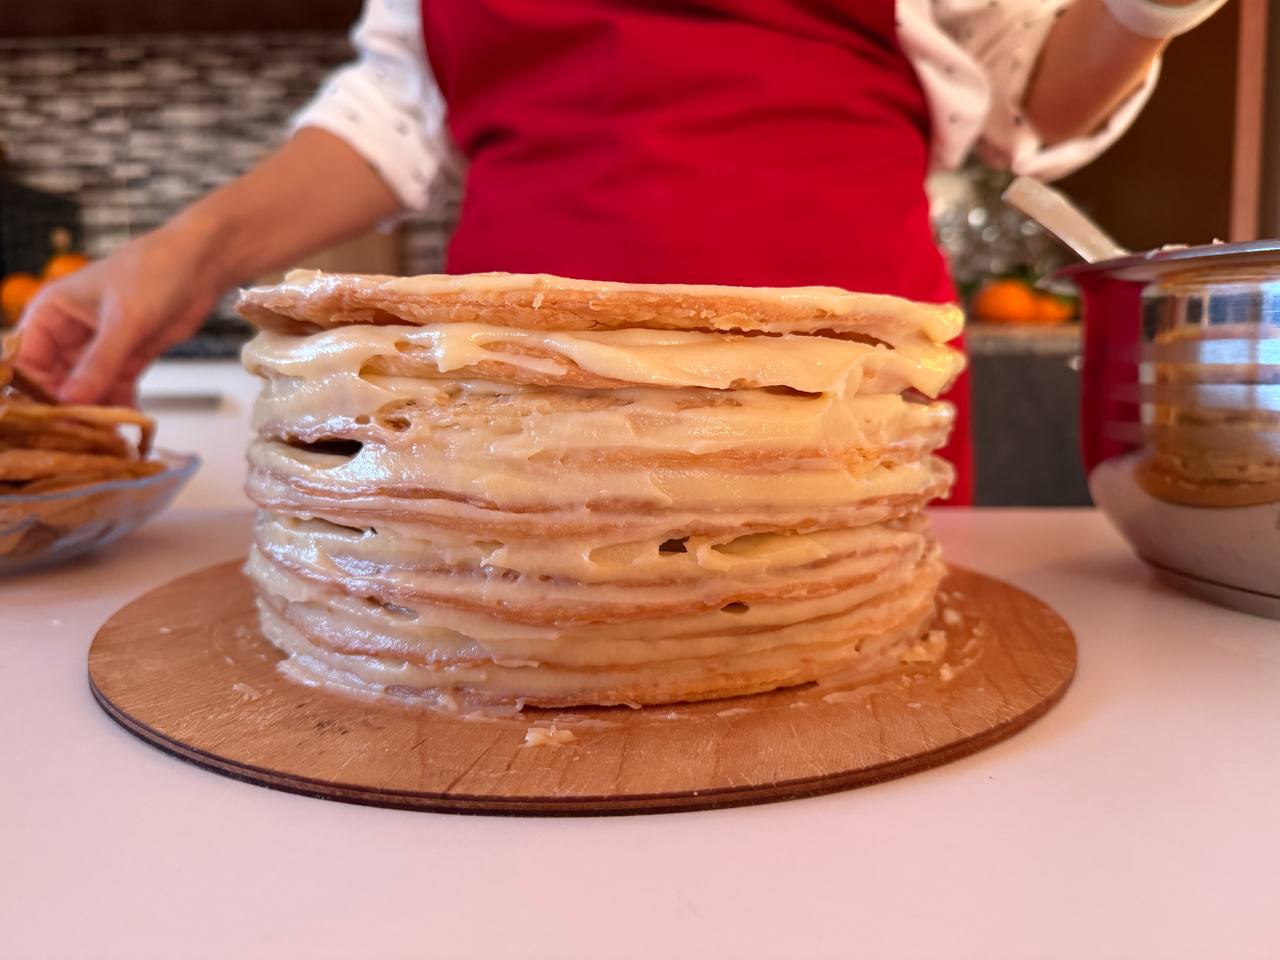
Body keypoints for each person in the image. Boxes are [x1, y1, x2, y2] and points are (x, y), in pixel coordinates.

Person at [15, 0, 1228, 503]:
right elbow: (399, 113)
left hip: (842, 422)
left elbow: (1031, 93)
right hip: (513, 425)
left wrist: (1141, 8)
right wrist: (187, 253)